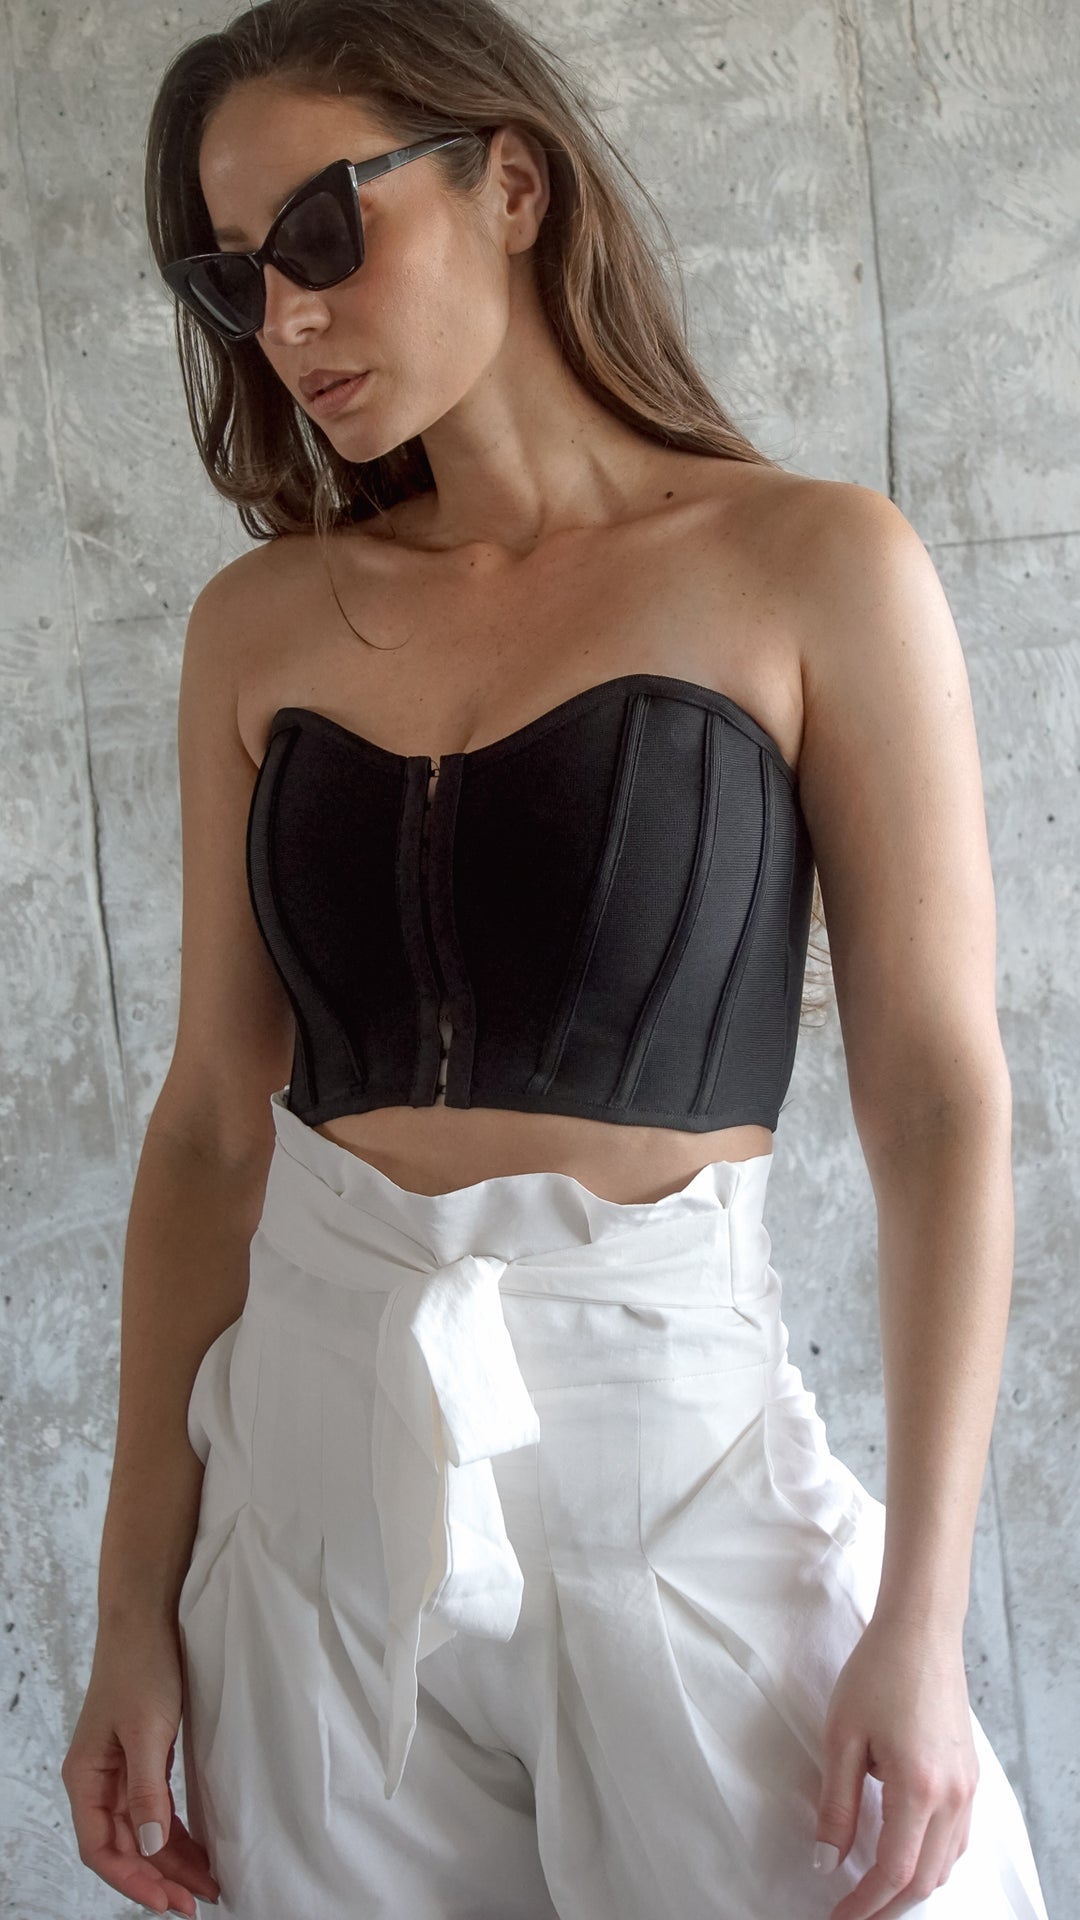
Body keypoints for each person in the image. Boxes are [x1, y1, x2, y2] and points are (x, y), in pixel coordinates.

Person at [60, 2, 1050, 1917]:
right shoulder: (258, 624)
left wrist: (921, 1621)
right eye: (235, 276)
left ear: (510, 182)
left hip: (679, 1476)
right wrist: (132, 1611)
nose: (287, 319)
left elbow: (939, 1105)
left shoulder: (813, 564)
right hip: (309, 1502)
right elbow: (208, 1128)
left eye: (323, 232)